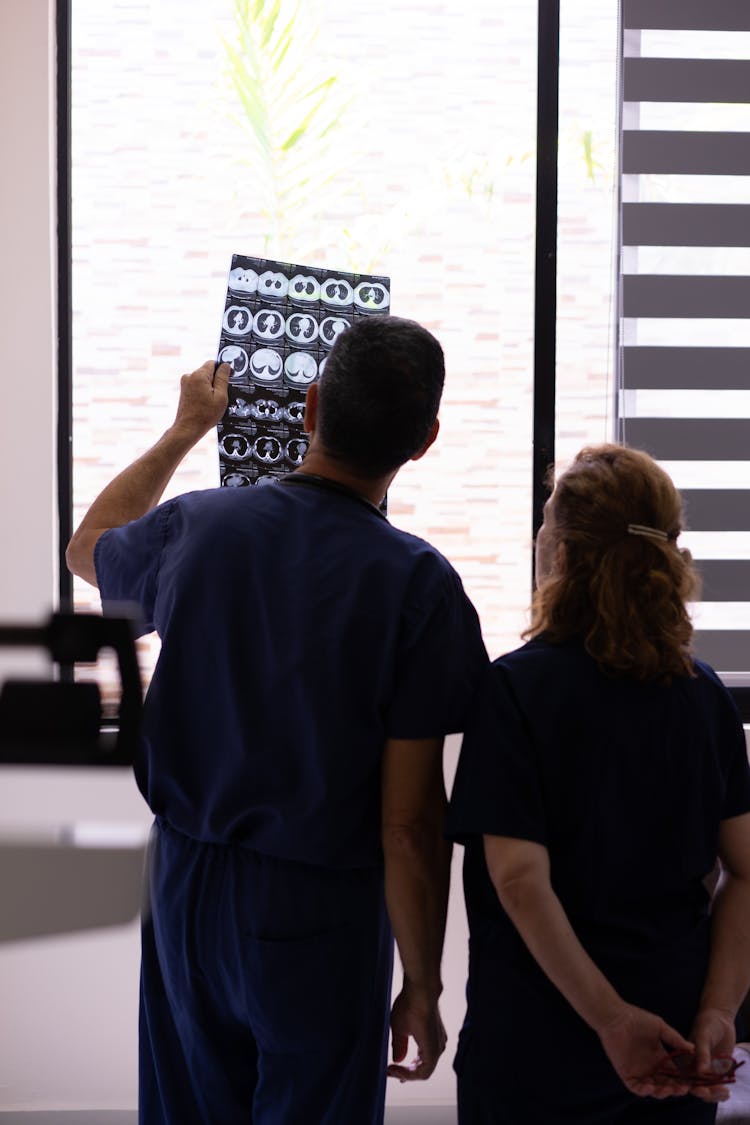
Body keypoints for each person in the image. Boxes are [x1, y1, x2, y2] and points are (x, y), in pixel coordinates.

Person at [66, 315, 488, 1125]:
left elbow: (89, 547)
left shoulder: (200, 528)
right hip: (317, 910)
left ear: (311, 406)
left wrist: (188, 426)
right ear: (424, 440)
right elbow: (408, 824)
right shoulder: (419, 586)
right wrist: (424, 986)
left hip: (185, 889)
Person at [447, 444, 750, 1124]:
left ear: (561, 552)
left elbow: (521, 880)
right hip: (675, 1049)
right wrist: (717, 1010)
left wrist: (612, 1020)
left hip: (535, 1045)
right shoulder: (704, 698)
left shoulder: (515, 691)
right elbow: (749, 872)